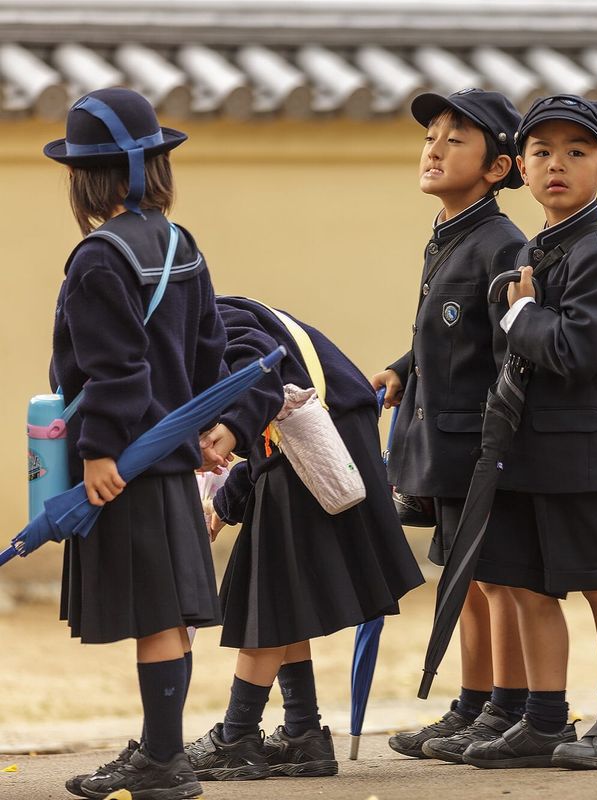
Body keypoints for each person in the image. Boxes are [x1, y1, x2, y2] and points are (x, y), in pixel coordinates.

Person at [459, 95, 597, 770]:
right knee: (529, 584)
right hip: (534, 450)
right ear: (522, 167)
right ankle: (544, 718)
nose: (557, 165)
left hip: (587, 453)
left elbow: (577, 350)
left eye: (577, 151)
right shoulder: (536, 249)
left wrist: (520, 319)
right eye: (542, 152)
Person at [49, 87, 224, 800]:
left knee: (155, 613)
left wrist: (95, 453)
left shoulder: (97, 257)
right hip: (173, 456)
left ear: (88, 180)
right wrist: (214, 428)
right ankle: (162, 752)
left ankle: (161, 764)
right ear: (154, 169)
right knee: (169, 611)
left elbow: (113, 369)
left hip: (128, 461)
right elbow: (210, 348)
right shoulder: (183, 244)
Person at [185, 297, 425, 781]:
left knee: (268, 597)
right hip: (314, 440)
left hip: (316, 443)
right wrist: (225, 506)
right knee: (283, 593)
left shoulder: (208, 320)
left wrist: (229, 433)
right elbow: (260, 441)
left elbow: (264, 383)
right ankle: (302, 734)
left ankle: (237, 735)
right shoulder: (210, 320)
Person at [370, 88, 532, 762]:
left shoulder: (502, 243)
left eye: (454, 139)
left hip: (478, 444)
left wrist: (497, 444)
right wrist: (404, 368)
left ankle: (508, 707)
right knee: (461, 578)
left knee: (494, 579)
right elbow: (449, 333)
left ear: (497, 168)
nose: (433, 149)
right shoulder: (450, 235)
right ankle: (472, 702)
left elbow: (509, 350)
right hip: (442, 441)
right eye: (429, 136)